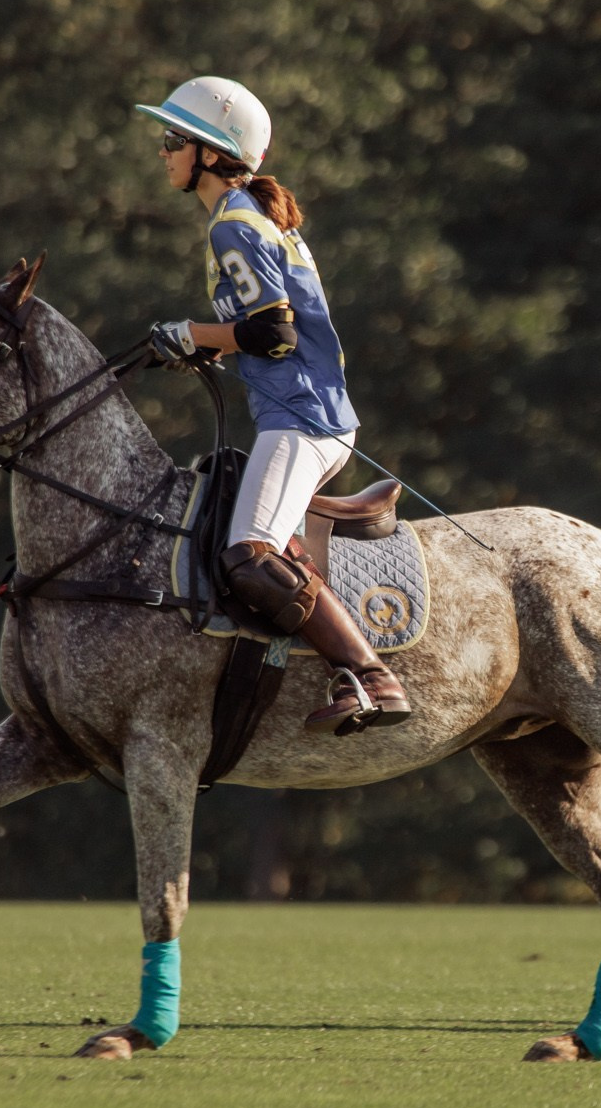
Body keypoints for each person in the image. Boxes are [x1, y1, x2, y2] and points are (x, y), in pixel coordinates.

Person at [137, 76, 412, 735]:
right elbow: (268, 333)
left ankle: (373, 676)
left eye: (173, 139)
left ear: (209, 152)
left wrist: (195, 334)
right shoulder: (244, 217)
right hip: (305, 412)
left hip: (302, 418)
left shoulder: (233, 224)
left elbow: (275, 332)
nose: (163, 151)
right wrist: (208, 347)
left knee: (249, 555)